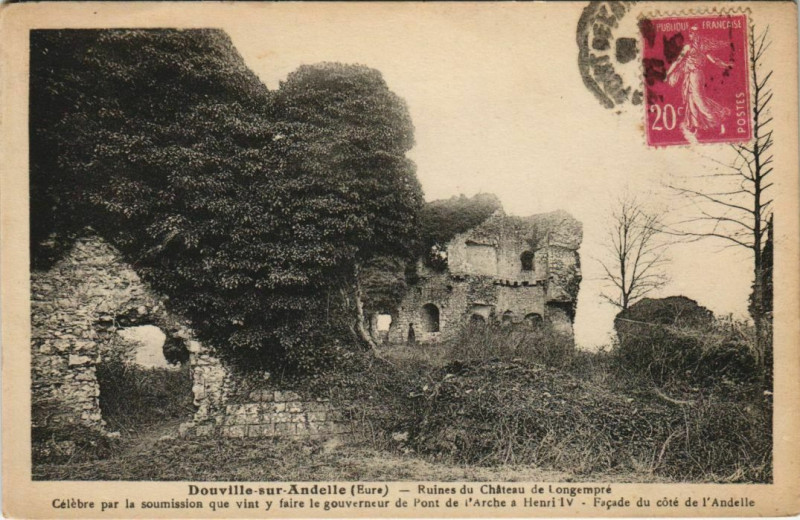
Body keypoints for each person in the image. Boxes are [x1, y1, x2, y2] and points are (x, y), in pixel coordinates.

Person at [664, 26, 734, 138]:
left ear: (697, 34)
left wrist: (726, 65)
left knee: (699, 100)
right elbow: (678, 61)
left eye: (692, 33)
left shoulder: (702, 48)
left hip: (696, 75)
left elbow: (714, 60)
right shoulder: (688, 47)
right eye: (690, 33)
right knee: (690, 100)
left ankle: (719, 122)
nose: (691, 36)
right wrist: (668, 74)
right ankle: (696, 128)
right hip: (689, 75)